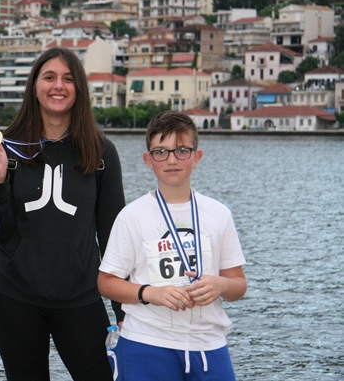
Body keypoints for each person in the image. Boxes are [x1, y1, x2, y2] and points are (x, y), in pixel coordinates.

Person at [0, 47, 126, 381]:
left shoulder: (101, 152)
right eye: (49, 77)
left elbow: (114, 236)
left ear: (79, 89)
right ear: (35, 85)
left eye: (67, 79)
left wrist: (123, 310)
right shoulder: (6, 148)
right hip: (13, 297)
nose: (58, 86)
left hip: (80, 297)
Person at [97, 110, 247, 380]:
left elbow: (238, 284)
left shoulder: (219, 213)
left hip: (208, 344)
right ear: (148, 160)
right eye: (161, 152)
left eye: (182, 150)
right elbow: (106, 282)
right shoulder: (132, 216)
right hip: (147, 342)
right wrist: (149, 293)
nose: (172, 160)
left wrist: (220, 285)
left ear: (197, 157)